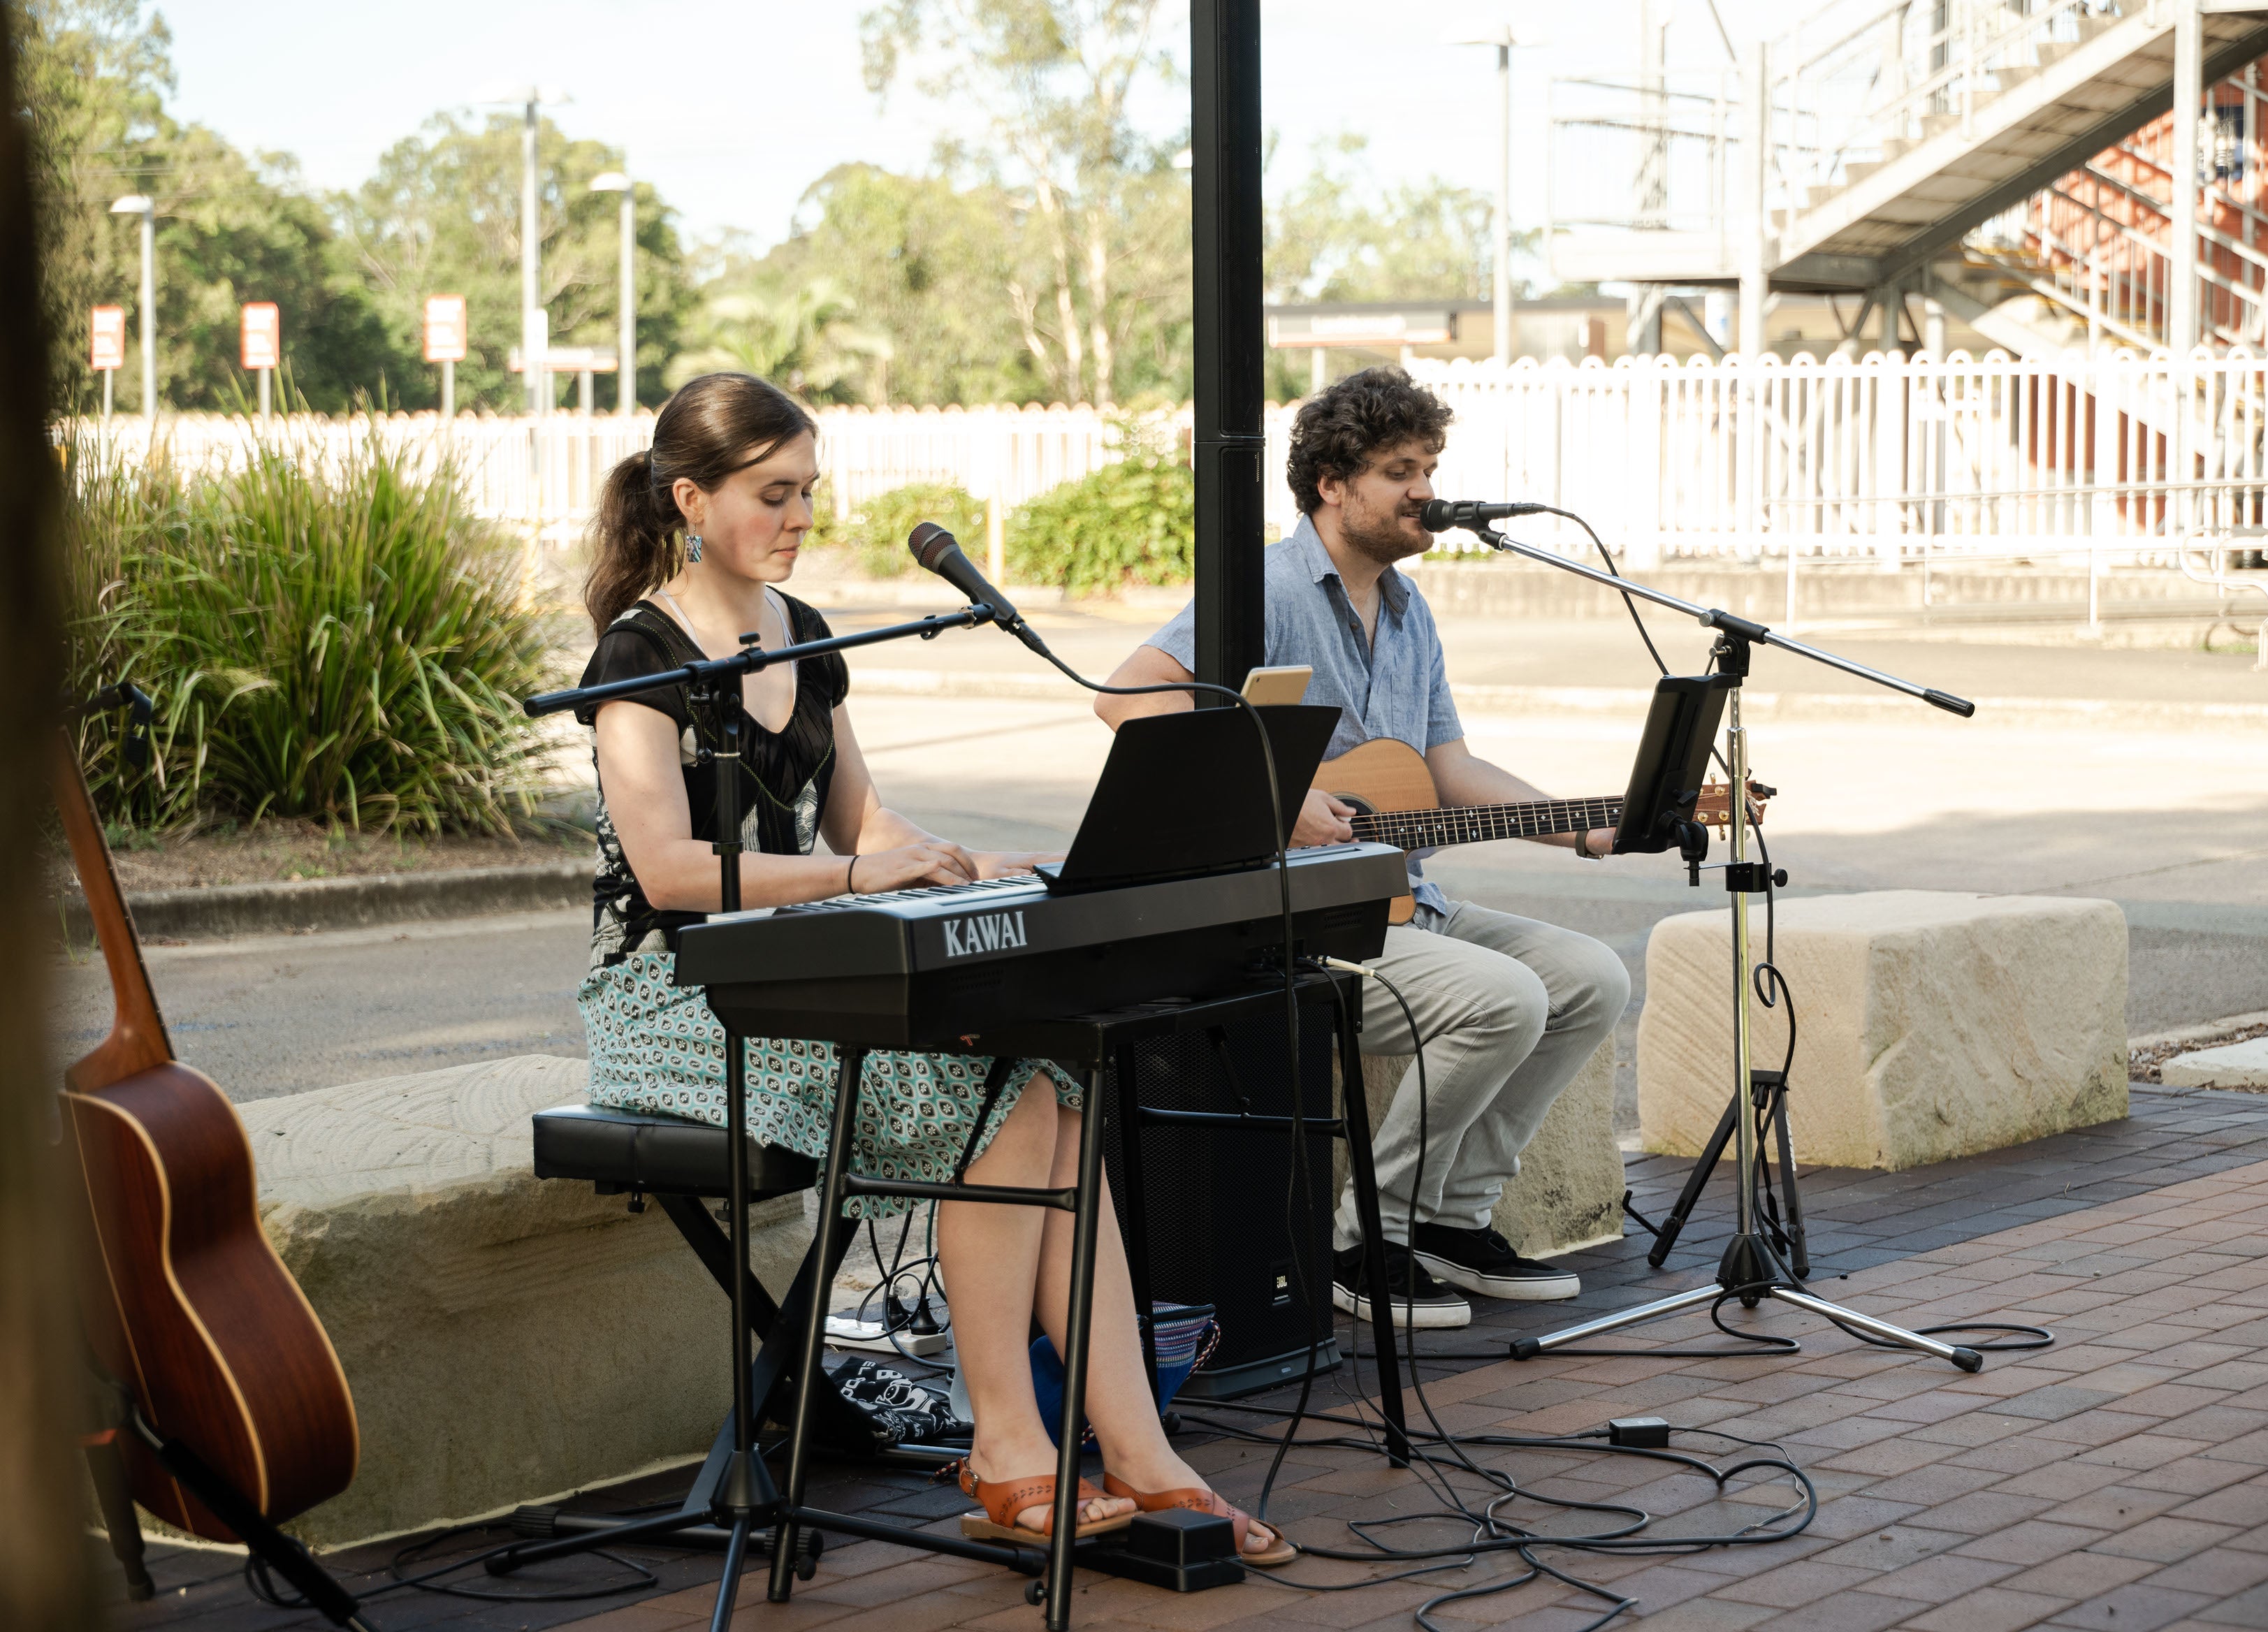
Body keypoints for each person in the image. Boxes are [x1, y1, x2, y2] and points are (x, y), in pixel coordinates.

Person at [574, 372, 1291, 1564]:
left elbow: (861, 827)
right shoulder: (637, 654)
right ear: (691, 500)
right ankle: (1010, 1444)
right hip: (669, 1002)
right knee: (1004, 1095)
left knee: (1061, 1085)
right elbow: (668, 873)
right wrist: (861, 882)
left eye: (809, 491)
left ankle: (1142, 1452)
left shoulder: (806, 637)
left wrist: (976, 862)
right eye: (774, 493)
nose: (801, 517)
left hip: (794, 970)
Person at [1095, 367, 1634, 1331]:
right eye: (1400, 470)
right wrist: (1279, 792)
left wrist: (1584, 823)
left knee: (1591, 975)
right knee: (1501, 998)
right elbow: (1126, 697)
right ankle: (1363, 1238)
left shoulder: (1408, 608)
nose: (1426, 490)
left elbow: (1446, 767)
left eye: (1429, 466)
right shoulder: (1264, 586)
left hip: (1397, 899)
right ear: (1332, 485)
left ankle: (1447, 1219)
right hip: (1288, 916)